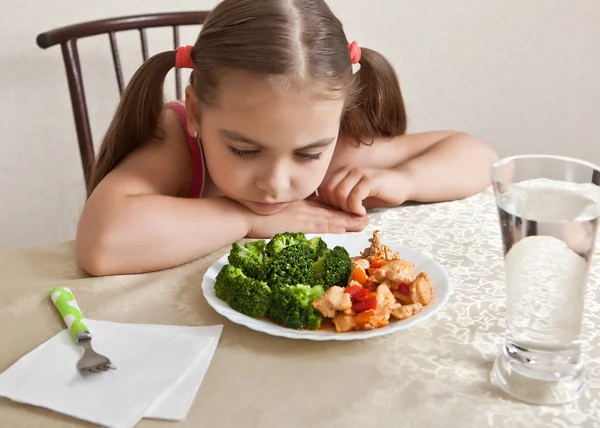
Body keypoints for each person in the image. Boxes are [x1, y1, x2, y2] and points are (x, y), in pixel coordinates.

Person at [76, 0, 498, 276]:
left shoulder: (333, 143)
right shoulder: (179, 143)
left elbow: (479, 158)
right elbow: (102, 245)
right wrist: (251, 220)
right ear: (198, 114)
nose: (277, 182)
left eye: (308, 154)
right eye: (244, 150)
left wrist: (403, 180)